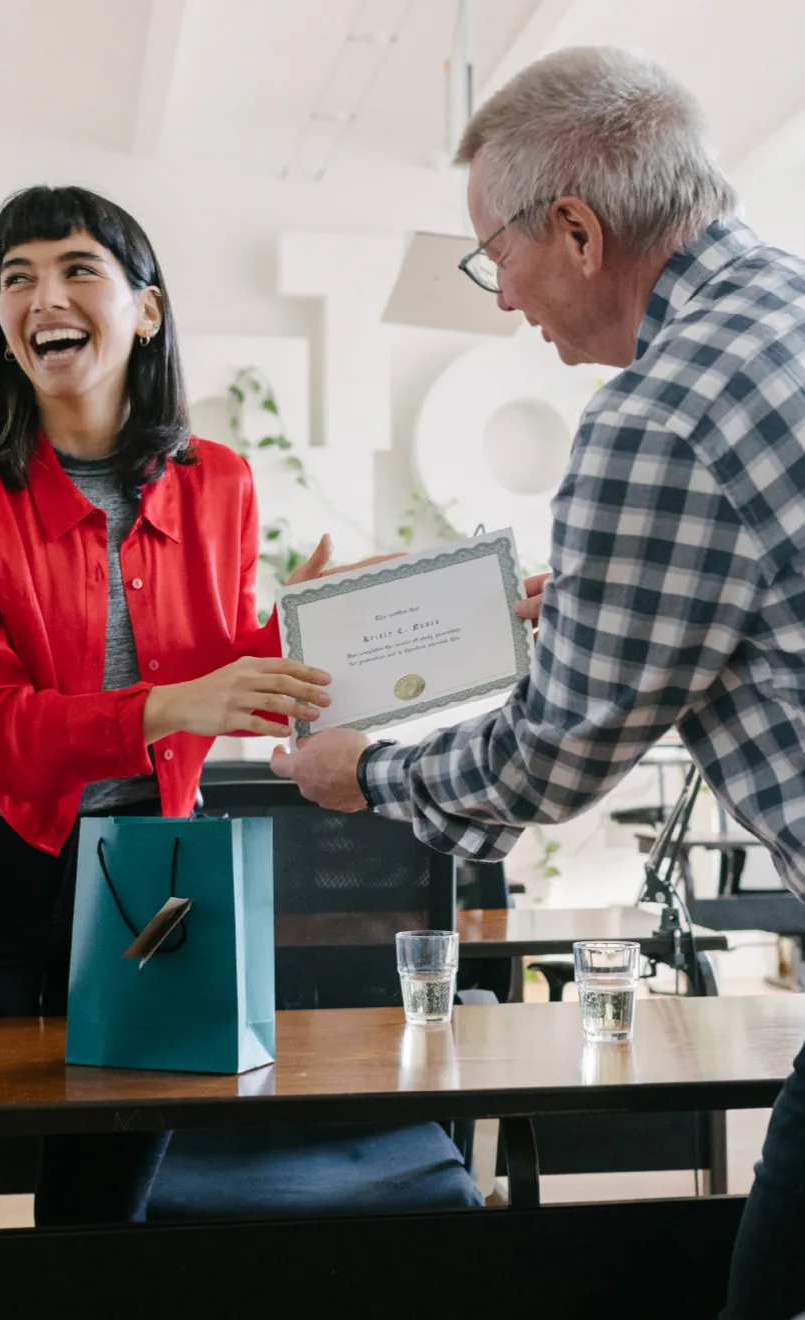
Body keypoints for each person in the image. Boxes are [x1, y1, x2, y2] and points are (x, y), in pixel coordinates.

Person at [272, 46, 805, 1320]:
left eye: (490, 255)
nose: (503, 296)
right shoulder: (781, 308)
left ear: (575, 228)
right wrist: (609, 611)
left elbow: (542, 765)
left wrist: (364, 771)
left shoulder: (650, 420)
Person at [0, 184, 335, 1230]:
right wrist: (183, 698)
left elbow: (223, 676)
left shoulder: (219, 480)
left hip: (150, 857)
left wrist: (372, 622)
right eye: (18, 278)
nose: (43, 294)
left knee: (109, 1186)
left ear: (147, 310)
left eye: (76, 268)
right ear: (1, 326)